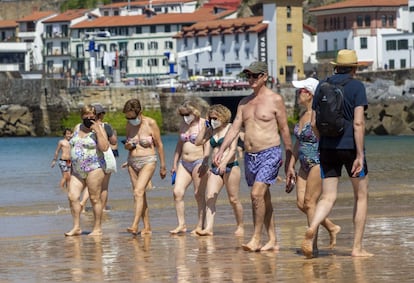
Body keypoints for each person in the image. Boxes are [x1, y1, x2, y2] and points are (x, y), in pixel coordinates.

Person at [300, 49, 373, 258]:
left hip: (327, 148)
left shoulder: (323, 86)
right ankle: (357, 248)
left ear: (336, 66)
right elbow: (358, 122)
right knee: (361, 196)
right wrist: (359, 155)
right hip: (350, 146)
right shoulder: (357, 86)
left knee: (328, 196)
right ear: (354, 69)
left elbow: (314, 123)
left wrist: (323, 142)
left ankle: (313, 226)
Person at [214, 61, 293, 252]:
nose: (250, 79)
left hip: (270, 152)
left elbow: (284, 130)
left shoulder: (275, 100)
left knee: (255, 195)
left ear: (264, 76)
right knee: (263, 199)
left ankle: (256, 238)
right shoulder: (244, 103)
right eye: (248, 76)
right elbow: (234, 128)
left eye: (254, 76)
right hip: (251, 156)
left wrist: (290, 163)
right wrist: (222, 149)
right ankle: (273, 240)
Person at [286, 78, 341, 255]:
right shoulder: (303, 115)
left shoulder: (318, 115)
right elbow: (298, 143)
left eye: (300, 91)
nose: (297, 94)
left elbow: (324, 140)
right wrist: (290, 165)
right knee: (301, 204)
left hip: (317, 162)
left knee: (310, 203)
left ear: (309, 94)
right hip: (303, 165)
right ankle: (331, 227)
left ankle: (313, 246)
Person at [194, 104, 244, 236]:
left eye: (215, 118)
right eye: (211, 118)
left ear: (223, 116)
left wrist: (224, 163)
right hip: (215, 168)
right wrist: (205, 126)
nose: (213, 120)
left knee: (233, 199)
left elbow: (233, 149)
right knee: (210, 197)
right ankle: (208, 228)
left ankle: (240, 226)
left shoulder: (231, 128)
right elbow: (198, 142)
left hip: (230, 166)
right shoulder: (212, 131)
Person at [123, 98, 167, 235]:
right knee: (139, 195)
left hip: (148, 160)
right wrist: (128, 146)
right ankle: (147, 226)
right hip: (132, 162)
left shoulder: (151, 123)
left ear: (139, 112)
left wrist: (163, 165)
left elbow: (159, 144)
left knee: (138, 192)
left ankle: (134, 225)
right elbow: (127, 144)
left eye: (133, 117)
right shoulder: (129, 125)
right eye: (128, 117)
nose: (130, 119)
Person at [65, 104, 109, 236]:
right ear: (82, 116)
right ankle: (77, 227)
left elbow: (105, 147)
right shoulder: (77, 127)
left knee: (95, 199)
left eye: (92, 117)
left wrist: (97, 130)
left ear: (95, 117)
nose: (89, 119)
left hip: (94, 168)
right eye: (86, 116)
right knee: (72, 196)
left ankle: (97, 228)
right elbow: (72, 143)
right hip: (77, 170)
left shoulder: (100, 128)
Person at [170, 100, 209, 234]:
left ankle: (200, 225)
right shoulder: (183, 125)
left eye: (187, 114)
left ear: (194, 112)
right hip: (184, 162)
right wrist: (174, 163)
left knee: (198, 194)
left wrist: (206, 162)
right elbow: (179, 145)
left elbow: (208, 144)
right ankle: (181, 224)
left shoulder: (203, 124)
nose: (185, 117)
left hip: (199, 161)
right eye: (182, 114)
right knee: (177, 192)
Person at [79, 104, 118, 212]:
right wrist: (112, 132)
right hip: (105, 156)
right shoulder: (105, 126)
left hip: (89, 157)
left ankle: (83, 203)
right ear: (100, 115)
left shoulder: (83, 128)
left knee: (90, 183)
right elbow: (113, 141)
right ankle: (103, 209)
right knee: (104, 186)